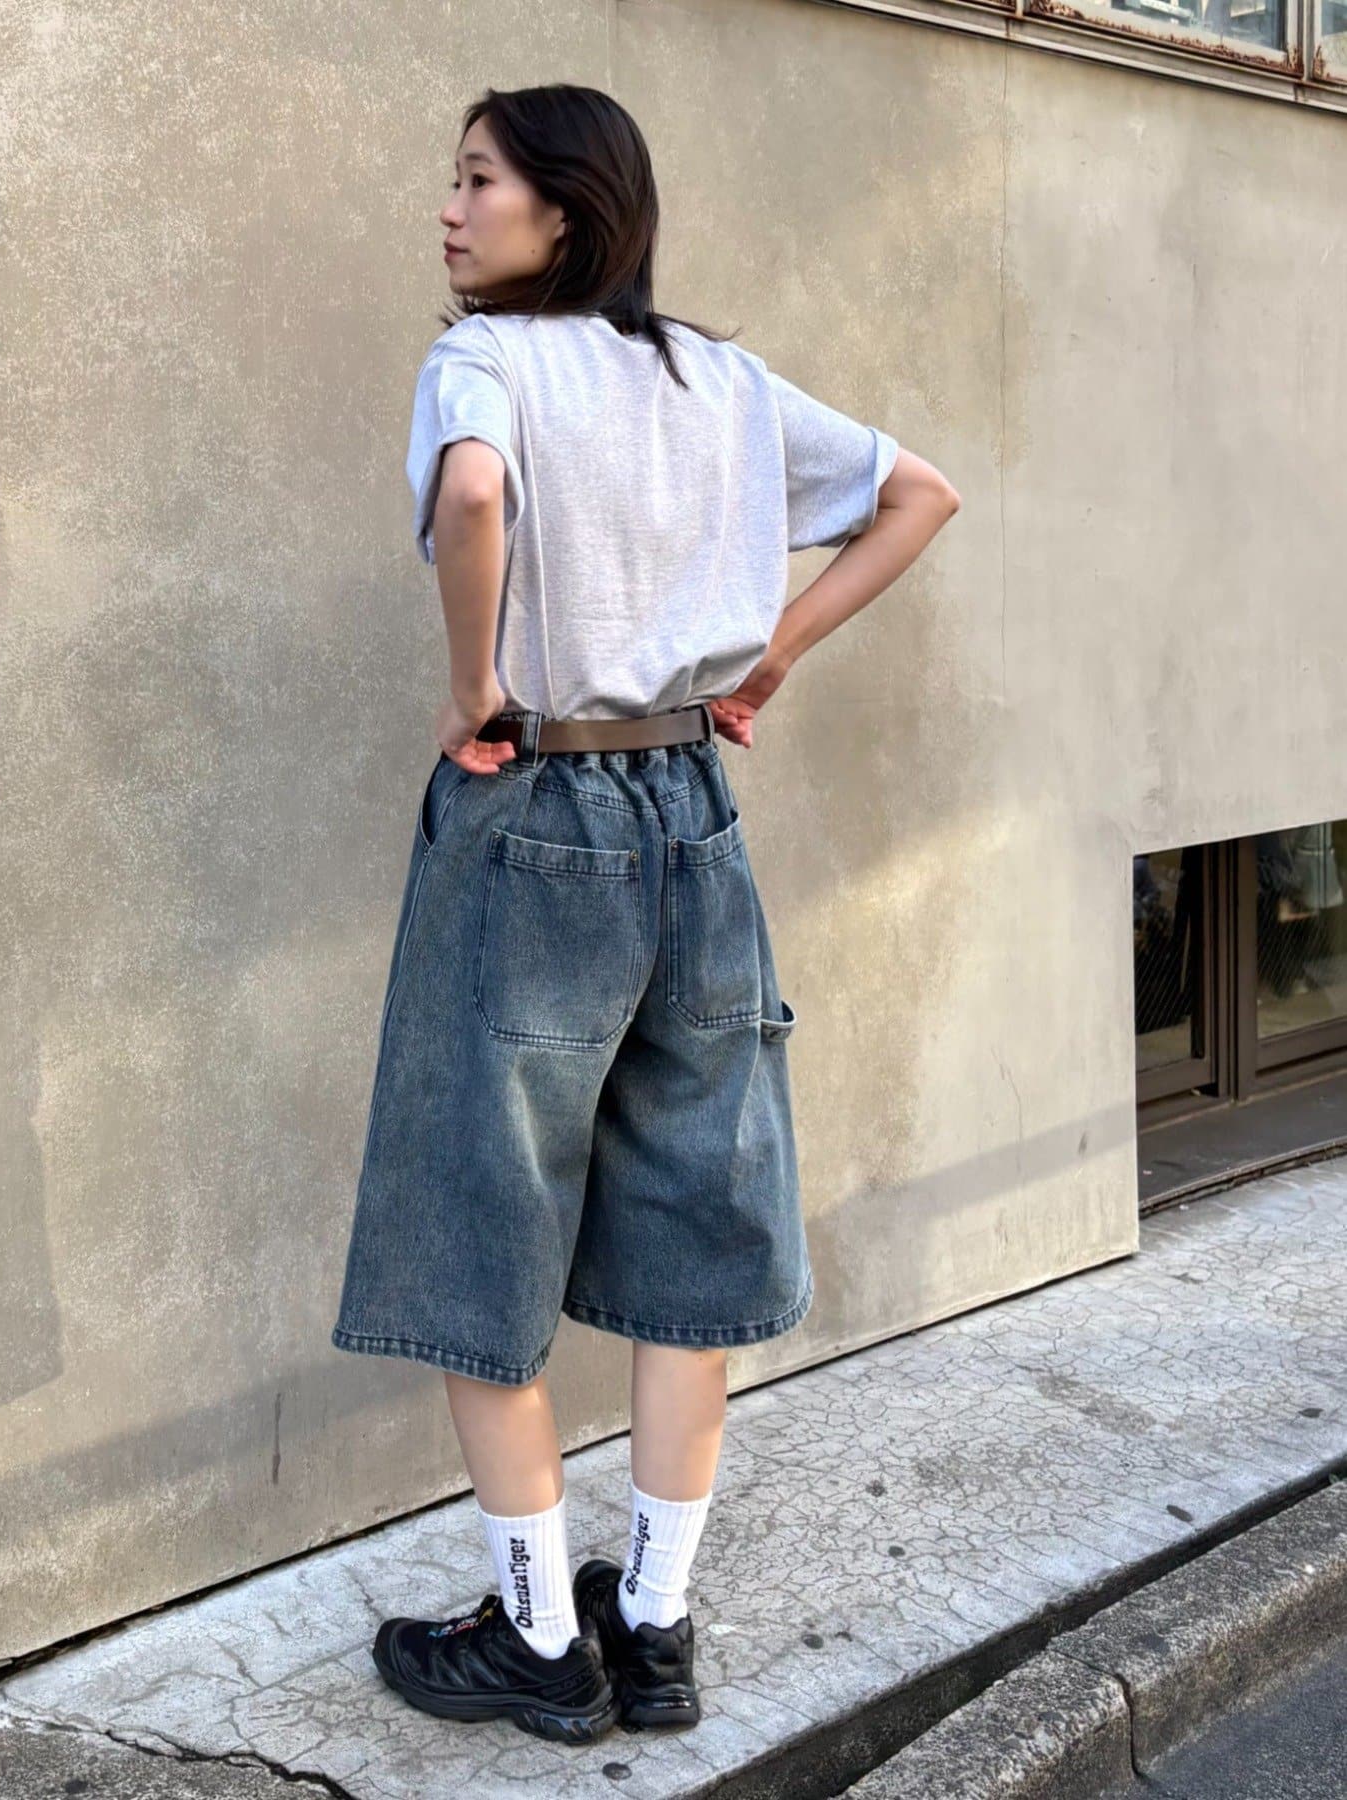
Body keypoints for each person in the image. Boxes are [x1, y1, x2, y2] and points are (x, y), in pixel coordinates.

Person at [331, 82, 960, 1746]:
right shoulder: (717, 380)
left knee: (486, 1207)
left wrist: (474, 686)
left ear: (564, 208)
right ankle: (658, 1627)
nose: (449, 210)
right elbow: (922, 494)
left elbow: (476, 497)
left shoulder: (484, 361)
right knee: (700, 1204)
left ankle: (544, 1640)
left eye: (477, 180)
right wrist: (773, 655)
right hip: (693, 809)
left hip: (536, 805)